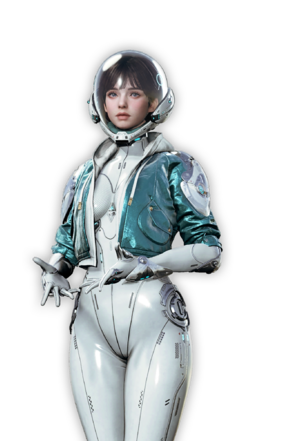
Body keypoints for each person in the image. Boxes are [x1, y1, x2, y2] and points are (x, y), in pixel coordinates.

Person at [32, 50, 222, 441]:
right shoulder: (83, 174)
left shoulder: (176, 166)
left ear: (154, 102)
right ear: (99, 102)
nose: (121, 103)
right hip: (90, 317)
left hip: (152, 313)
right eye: (113, 94)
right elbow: (66, 240)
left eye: (134, 93)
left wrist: (149, 263)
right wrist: (55, 269)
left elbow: (210, 250)